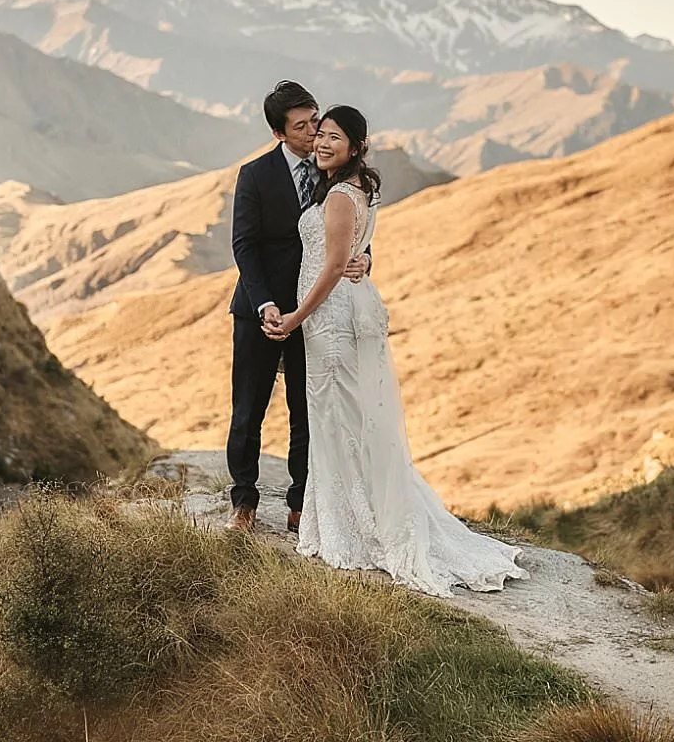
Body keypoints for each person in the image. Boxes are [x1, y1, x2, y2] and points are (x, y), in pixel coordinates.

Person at [267, 104, 525, 597]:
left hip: (330, 319)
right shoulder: (356, 188)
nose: (321, 143)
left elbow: (333, 265)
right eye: (319, 135)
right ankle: (351, 521)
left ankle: (357, 530)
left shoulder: (341, 196)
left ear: (356, 147)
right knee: (342, 420)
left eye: (333, 138)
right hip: (339, 314)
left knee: (338, 421)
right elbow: (352, 254)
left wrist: (298, 317)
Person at [225, 81, 370, 534]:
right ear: (278, 133)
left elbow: (352, 231)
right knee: (248, 409)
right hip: (260, 311)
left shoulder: (334, 172)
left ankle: (300, 503)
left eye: (315, 121)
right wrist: (266, 302)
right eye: (302, 126)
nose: (314, 134)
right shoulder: (255, 175)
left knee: (305, 410)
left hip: (315, 311)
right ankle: (244, 503)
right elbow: (244, 245)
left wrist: (365, 258)